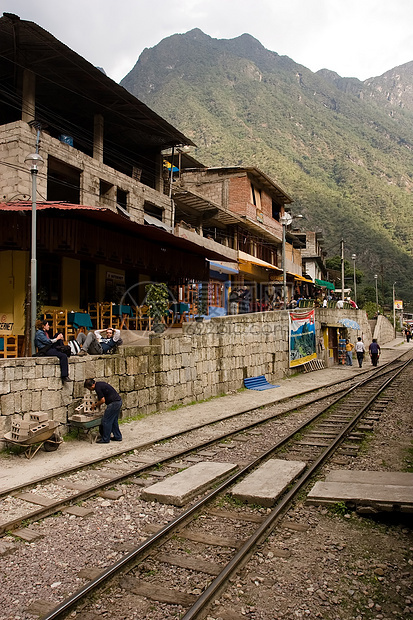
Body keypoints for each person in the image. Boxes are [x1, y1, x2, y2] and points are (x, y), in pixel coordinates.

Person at [84, 378, 122, 444]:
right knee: (113, 421)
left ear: (92, 385)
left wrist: (95, 405)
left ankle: (105, 439)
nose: (90, 390)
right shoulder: (100, 384)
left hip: (113, 403)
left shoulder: (97, 388)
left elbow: (102, 400)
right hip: (118, 401)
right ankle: (118, 436)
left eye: (89, 388)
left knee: (106, 420)